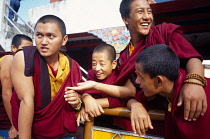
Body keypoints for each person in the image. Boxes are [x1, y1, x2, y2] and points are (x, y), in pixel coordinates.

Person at [117, 0, 206, 122]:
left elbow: (192, 58)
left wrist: (194, 83)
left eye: (149, 11)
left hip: (184, 105)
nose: (147, 17)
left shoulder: (163, 33)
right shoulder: (123, 58)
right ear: (125, 19)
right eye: (140, 12)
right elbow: (127, 93)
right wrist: (134, 104)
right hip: (149, 117)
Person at [10, 15, 83, 139]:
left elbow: (80, 93)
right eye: (39, 35)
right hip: (30, 129)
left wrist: (78, 100)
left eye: (50, 36)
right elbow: (26, 101)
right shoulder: (24, 58)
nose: (43, 42)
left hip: (61, 130)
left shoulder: (72, 65)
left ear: (64, 39)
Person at [128, 44, 210, 139]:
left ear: (159, 81)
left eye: (140, 76)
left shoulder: (199, 96)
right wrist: (136, 105)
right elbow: (134, 98)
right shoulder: (163, 92)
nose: (137, 81)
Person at [65, 44, 135, 126]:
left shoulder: (120, 76)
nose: (97, 68)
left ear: (113, 64)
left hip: (115, 124)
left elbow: (123, 99)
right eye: (94, 64)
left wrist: (91, 102)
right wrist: (86, 98)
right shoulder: (92, 75)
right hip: (95, 120)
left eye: (102, 64)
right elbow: (84, 92)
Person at [1, 34, 33, 139]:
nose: (26, 54)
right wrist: (14, 124)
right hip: (6, 119)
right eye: (23, 50)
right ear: (13, 48)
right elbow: (6, 94)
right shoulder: (9, 59)